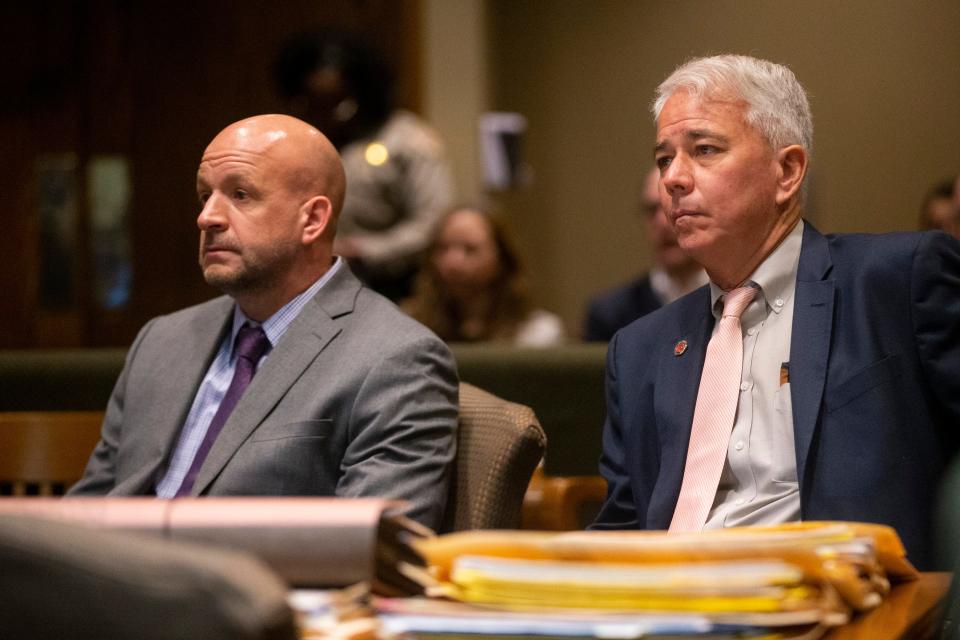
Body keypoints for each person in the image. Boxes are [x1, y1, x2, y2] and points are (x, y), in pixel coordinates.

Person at [591, 54, 960, 569]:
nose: (671, 179)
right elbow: (622, 529)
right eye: (663, 159)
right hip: (665, 606)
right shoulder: (639, 348)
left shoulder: (896, 283)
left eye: (703, 150)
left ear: (787, 171)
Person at [68, 114, 459, 531]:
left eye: (240, 194)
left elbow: (368, 552)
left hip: (249, 591)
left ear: (312, 220)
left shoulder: (396, 359)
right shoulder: (161, 340)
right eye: (205, 195)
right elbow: (91, 504)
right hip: (108, 582)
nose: (207, 217)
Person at [274, 30, 455, 302]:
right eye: (313, 103)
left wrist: (365, 250)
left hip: (396, 289)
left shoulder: (408, 141)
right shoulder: (300, 142)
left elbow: (434, 223)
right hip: (313, 287)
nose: (327, 114)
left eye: (338, 103)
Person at [403, 206, 565, 346]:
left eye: (470, 249)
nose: (452, 262)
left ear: (502, 260)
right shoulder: (408, 327)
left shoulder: (537, 335)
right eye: (442, 248)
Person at [583, 167, 706, 341]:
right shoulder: (611, 314)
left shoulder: (735, 302)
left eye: (673, 206)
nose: (661, 222)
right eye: (651, 210)